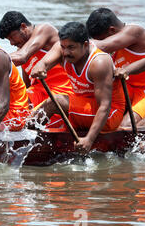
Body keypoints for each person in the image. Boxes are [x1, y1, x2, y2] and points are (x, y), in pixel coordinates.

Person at [30, 22, 126, 153]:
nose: (66, 52)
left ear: (85, 45)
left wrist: (89, 140)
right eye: (63, 47)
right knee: (31, 112)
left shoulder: (99, 62)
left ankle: (25, 139)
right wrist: (39, 67)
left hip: (109, 114)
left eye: (71, 48)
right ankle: (27, 132)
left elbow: (104, 106)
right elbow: (43, 63)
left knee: (55, 101)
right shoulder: (61, 48)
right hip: (84, 104)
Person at [86, 7, 145, 128]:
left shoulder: (135, 31)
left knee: (125, 126)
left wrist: (68, 45)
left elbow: (102, 45)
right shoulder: (114, 38)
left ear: (112, 30)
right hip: (125, 89)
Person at [0, 11, 73, 109]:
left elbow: (22, 57)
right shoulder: (20, 51)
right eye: (9, 40)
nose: (11, 43)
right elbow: (27, 86)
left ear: (23, 27)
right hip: (38, 94)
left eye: (12, 37)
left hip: (61, 92)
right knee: (11, 100)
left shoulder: (45, 30)